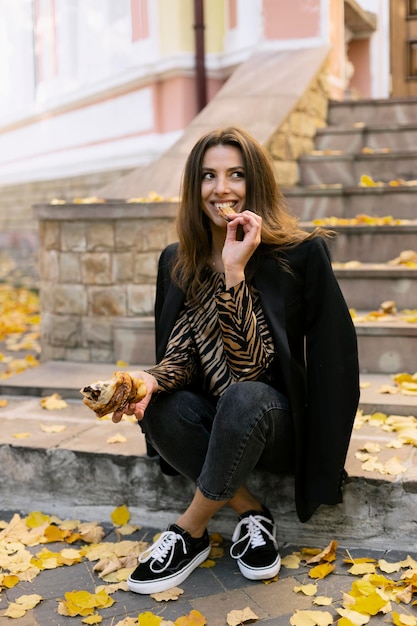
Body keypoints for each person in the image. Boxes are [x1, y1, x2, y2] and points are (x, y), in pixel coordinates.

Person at [112, 126, 360, 595]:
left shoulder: (299, 255)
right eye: (208, 175)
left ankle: (189, 531)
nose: (221, 188)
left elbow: (257, 370)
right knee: (159, 402)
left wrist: (234, 271)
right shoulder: (176, 261)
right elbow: (179, 358)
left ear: (255, 183)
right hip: (215, 426)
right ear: (194, 187)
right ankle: (251, 513)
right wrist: (147, 379)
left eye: (235, 175)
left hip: (275, 423)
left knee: (245, 397)